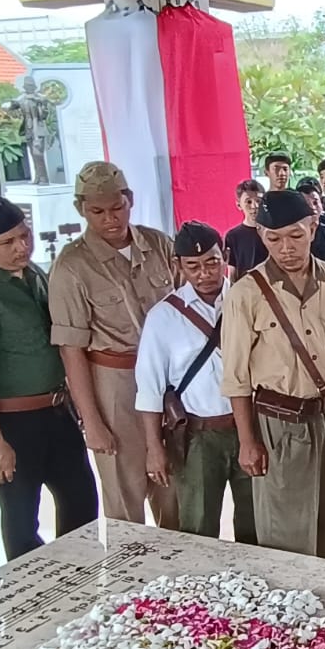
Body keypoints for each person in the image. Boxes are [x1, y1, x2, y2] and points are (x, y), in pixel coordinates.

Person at [0, 194, 98, 560]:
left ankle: (79, 581)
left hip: (56, 411)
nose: (21, 247)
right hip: (9, 420)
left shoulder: (35, 275)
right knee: (21, 517)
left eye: (23, 236)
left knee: (81, 501)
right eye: (7, 243)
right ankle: (32, 601)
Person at [221, 190, 325, 559]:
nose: (286, 248)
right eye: (274, 239)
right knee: (285, 531)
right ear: (260, 236)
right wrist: (247, 441)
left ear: (314, 228)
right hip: (279, 424)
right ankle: (291, 607)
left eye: (296, 236)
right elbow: (237, 378)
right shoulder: (245, 295)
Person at [49, 161, 177, 530]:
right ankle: (132, 581)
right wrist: (92, 422)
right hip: (114, 384)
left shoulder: (157, 243)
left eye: (117, 207)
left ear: (130, 200)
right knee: (125, 494)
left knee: (176, 490)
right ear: (80, 209)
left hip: (168, 379)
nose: (110, 219)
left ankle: (181, 578)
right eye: (97, 211)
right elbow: (71, 350)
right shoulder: (72, 266)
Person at [135, 222, 256, 545]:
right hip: (198, 436)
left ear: (225, 256)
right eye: (194, 266)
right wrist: (154, 448)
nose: (204, 273)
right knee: (199, 527)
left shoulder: (248, 301)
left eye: (212, 262)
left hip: (250, 428)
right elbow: (150, 389)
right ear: (179, 266)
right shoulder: (164, 317)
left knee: (256, 521)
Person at [224, 180, 267, 280]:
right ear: (239, 205)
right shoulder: (233, 236)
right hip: (245, 290)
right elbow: (232, 271)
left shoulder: (272, 232)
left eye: (258, 201)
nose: (254, 206)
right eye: (248, 201)